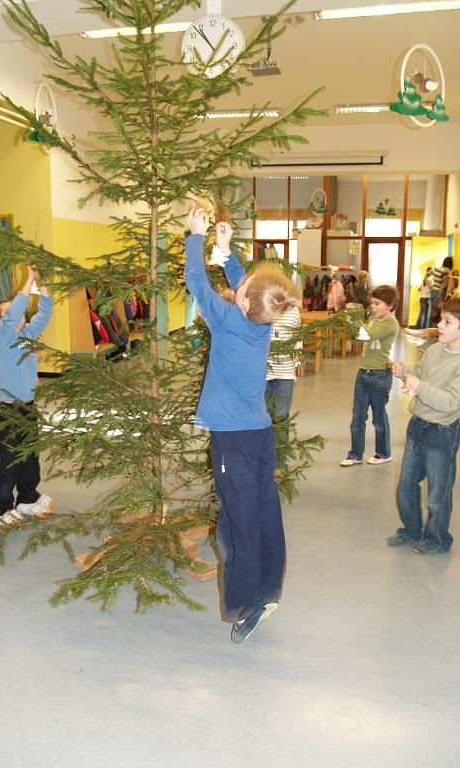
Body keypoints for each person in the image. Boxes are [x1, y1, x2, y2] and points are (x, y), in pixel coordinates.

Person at [184, 208, 300, 645]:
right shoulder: (261, 321)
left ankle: (248, 605)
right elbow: (245, 287)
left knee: (237, 523)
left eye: (244, 285)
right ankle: (268, 588)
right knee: (264, 510)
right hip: (258, 435)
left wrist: (196, 237)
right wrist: (226, 250)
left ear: (244, 302)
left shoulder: (230, 319)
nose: (240, 282)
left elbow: (197, 283)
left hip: (233, 441)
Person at [388, 296, 460, 554]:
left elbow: (452, 402)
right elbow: (420, 371)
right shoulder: (434, 350)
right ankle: (411, 530)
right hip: (417, 426)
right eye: (441, 320)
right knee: (406, 485)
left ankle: (437, 539)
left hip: (442, 434)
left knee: (438, 493)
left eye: (447, 322)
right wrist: (403, 371)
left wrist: (420, 387)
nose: (439, 325)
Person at [0, 266, 54, 525]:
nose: (18, 317)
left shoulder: (28, 334)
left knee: (29, 460)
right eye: (9, 315)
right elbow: (16, 311)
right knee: (7, 464)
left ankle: (27, 498)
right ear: (1, 322)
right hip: (8, 412)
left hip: (28, 408)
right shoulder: (3, 337)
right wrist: (28, 279)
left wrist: (42, 283)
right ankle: (2, 508)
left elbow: (44, 314)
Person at [340, 285, 400, 467]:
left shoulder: (390, 323)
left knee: (379, 418)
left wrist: (354, 317)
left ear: (390, 305)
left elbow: (367, 334)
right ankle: (355, 454)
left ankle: (383, 453)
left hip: (380, 375)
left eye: (377, 303)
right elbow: (358, 336)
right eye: (372, 303)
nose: (373, 307)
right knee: (358, 417)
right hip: (363, 373)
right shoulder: (374, 320)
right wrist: (350, 321)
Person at [265, 303, 302, 472]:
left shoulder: (293, 312)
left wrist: (297, 362)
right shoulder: (262, 306)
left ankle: (280, 463)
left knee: (281, 418)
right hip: (264, 373)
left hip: (285, 374)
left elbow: (297, 338)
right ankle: (265, 462)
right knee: (264, 417)